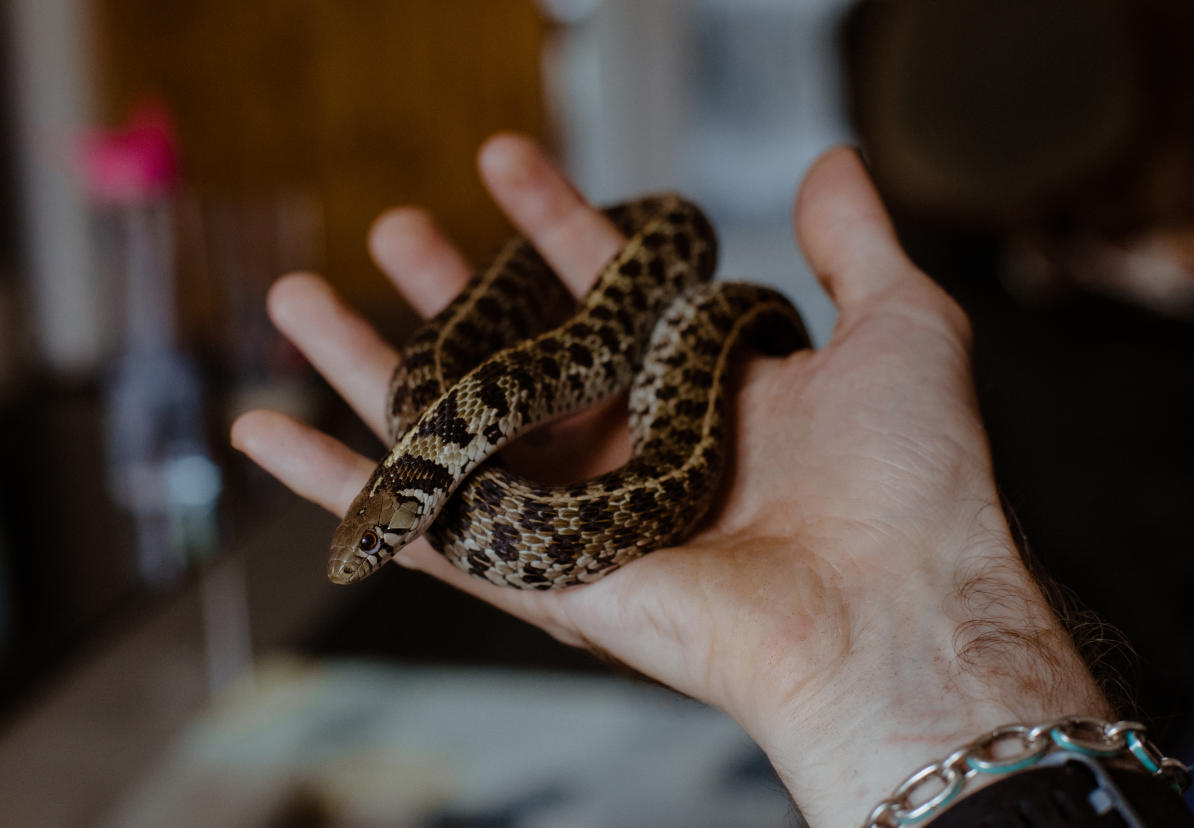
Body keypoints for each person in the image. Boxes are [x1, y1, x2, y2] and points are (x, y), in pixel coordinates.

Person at [230, 135, 1175, 824]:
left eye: (375, 540)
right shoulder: (448, 439)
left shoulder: (485, 422)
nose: (370, 557)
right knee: (444, 376)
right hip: (508, 409)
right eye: (374, 544)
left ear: (399, 513)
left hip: (608, 363)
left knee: (603, 340)